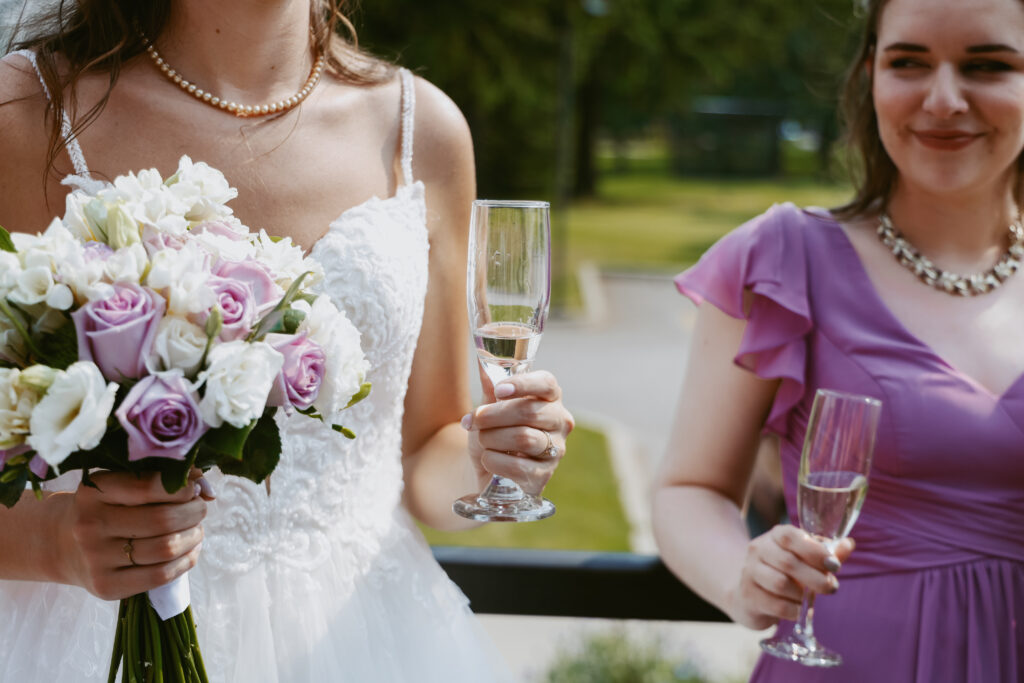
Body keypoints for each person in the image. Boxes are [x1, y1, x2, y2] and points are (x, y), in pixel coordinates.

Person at [0, 1, 574, 680]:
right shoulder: (26, 112)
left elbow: (422, 460)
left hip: (370, 638)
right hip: (94, 641)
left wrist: (487, 457)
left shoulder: (424, 131)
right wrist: (50, 541)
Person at [653, 0, 1024, 680]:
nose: (943, 99)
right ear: (868, 77)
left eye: (988, 65)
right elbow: (688, 486)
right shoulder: (783, 261)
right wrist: (743, 575)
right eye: (908, 62)